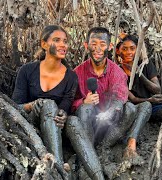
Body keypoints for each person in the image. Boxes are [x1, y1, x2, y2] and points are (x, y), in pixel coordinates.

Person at [65, 27, 152, 180]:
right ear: (86, 46)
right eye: (93, 44)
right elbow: (68, 103)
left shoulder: (116, 72)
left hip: (110, 124)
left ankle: (106, 147)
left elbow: (120, 95)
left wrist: (113, 109)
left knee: (131, 108)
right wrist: (82, 101)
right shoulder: (76, 73)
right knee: (84, 109)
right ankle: (88, 154)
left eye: (103, 44)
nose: (98, 49)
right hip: (88, 127)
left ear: (110, 47)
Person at [12, 25, 78, 172]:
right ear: (44, 44)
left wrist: (63, 115)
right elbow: (15, 108)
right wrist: (32, 105)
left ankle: (72, 164)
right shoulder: (27, 71)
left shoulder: (71, 77)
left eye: (65, 41)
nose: (63, 45)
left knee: (72, 119)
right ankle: (59, 167)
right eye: (57, 40)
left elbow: (64, 109)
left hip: (55, 128)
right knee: (48, 104)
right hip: (31, 124)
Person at [116, 33, 162, 120]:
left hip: (155, 105)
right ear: (118, 51)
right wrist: (149, 100)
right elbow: (132, 99)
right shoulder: (117, 72)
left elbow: (157, 90)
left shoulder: (146, 64)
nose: (129, 52)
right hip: (137, 109)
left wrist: (139, 73)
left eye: (132, 48)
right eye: (124, 49)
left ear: (137, 49)